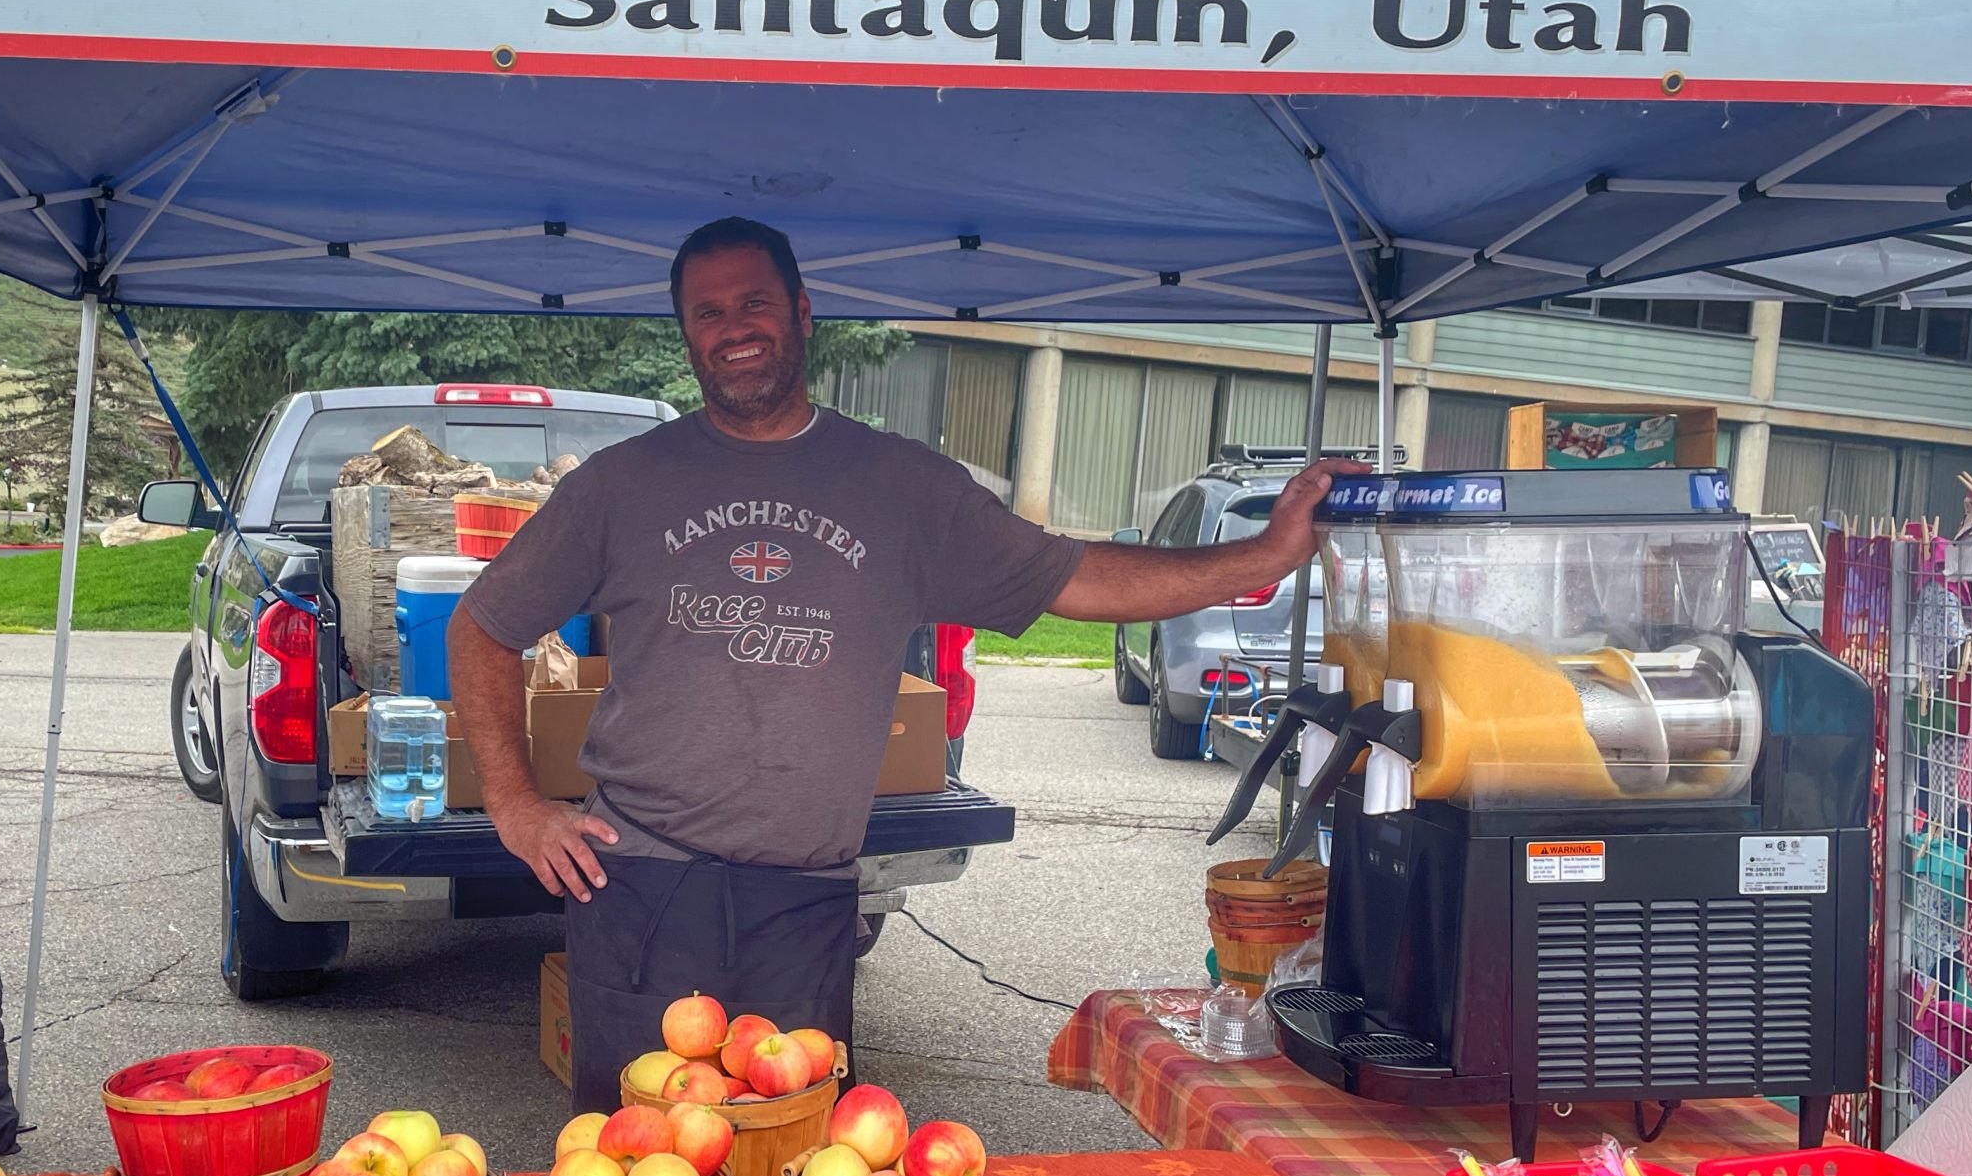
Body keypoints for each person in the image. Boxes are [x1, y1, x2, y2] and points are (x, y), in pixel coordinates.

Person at [450, 216, 1350, 1111]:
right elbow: (482, 625)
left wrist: (1264, 558)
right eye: (707, 313)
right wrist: (516, 806)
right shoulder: (619, 486)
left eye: (755, 302)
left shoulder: (901, 488)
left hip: (803, 900)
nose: (733, 328)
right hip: (639, 881)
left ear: (803, 311)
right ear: (687, 333)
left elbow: (1080, 578)